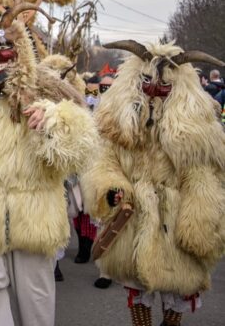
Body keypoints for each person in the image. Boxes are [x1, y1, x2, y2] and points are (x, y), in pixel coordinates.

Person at [0, 2, 96, 326]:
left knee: (36, 311)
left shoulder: (46, 89)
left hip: (35, 223)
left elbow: (81, 146)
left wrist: (53, 121)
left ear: (18, 49)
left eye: (4, 46)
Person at [83, 40, 225, 326]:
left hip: (177, 219)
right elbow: (105, 162)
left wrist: (201, 216)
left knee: (179, 286)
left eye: (164, 83)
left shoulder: (198, 133)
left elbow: (204, 174)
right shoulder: (118, 124)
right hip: (134, 217)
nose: (154, 89)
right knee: (136, 286)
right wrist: (111, 189)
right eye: (146, 80)